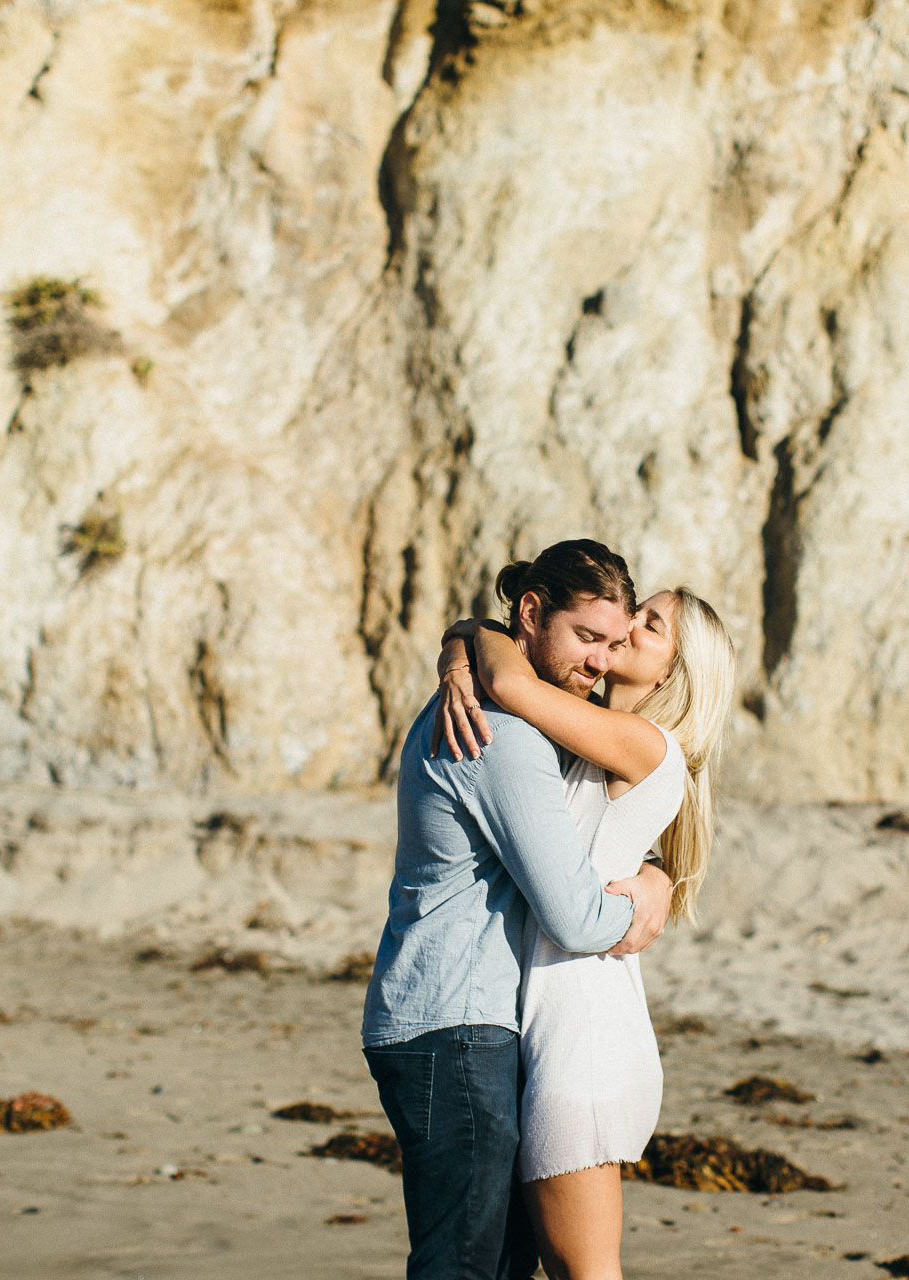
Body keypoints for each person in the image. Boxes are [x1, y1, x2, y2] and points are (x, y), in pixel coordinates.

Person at [361, 539, 676, 1280]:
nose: (599, 661)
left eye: (614, 644)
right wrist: (637, 908)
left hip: (451, 1019)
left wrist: (656, 870)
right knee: (464, 1265)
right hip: (454, 1025)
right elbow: (574, 918)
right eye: (587, 637)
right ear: (531, 614)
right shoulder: (498, 733)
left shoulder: (504, 707)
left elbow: (593, 828)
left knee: (491, 1261)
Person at [433, 583, 736, 1280]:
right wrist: (458, 649)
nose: (626, 626)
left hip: (582, 1043)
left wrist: (469, 638)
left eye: (651, 625)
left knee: (587, 1272)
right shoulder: (592, 736)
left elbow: (508, 680)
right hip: (554, 1030)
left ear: (674, 671)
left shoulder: (645, 743)